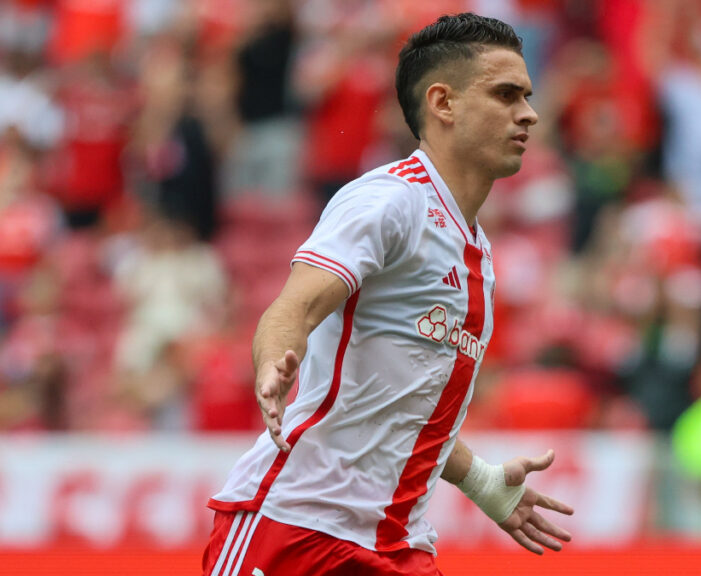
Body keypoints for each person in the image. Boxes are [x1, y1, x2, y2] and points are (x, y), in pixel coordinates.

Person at [203, 13, 573, 575]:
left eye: (526, 95)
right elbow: (293, 308)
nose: (529, 112)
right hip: (296, 527)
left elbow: (404, 408)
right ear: (443, 103)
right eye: (506, 94)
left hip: (397, 545)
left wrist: (484, 482)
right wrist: (274, 364)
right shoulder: (388, 203)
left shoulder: (479, 253)